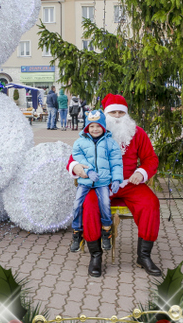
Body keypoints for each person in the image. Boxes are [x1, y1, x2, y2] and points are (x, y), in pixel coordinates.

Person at [67, 94, 161, 278]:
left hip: (129, 183)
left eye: (120, 112)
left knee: (151, 204)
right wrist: (76, 167)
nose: (117, 116)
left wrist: (140, 173)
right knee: (90, 206)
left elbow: (151, 159)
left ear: (126, 114)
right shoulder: (92, 133)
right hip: (99, 184)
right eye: (113, 112)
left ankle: (144, 256)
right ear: (105, 114)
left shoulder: (137, 133)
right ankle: (96, 255)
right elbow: (73, 158)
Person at [69, 110, 123, 263]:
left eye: (98, 126)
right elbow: (77, 158)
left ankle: (106, 231)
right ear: (87, 127)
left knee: (105, 203)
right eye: (91, 126)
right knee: (77, 204)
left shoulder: (110, 142)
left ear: (103, 127)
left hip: (103, 182)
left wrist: (117, 179)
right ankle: (77, 232)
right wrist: (88, 170)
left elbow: (116, 162)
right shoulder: (80, 142)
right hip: (85, 181)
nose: (95, 129)